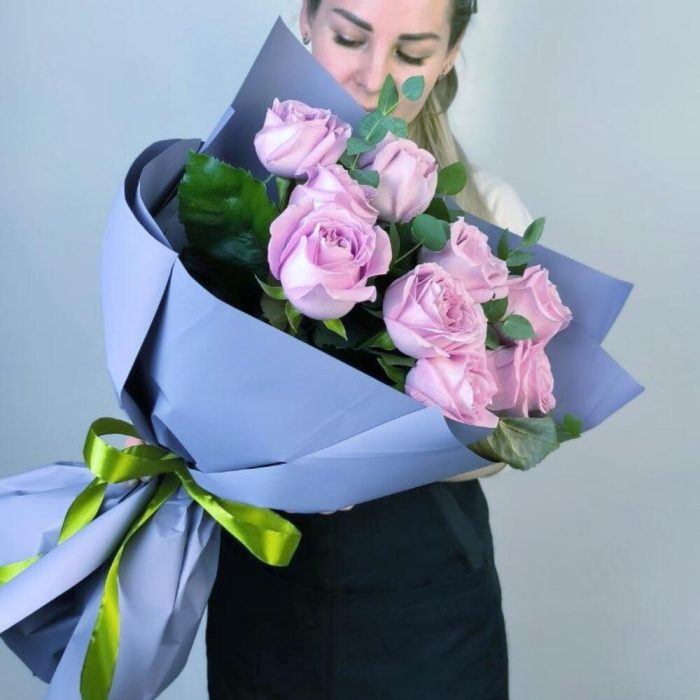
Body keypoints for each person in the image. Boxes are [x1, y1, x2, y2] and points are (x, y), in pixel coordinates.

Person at [205, 1, 533, 697]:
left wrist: (365, 459)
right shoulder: (229, 193)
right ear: (306, 19)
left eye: (411, 54)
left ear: (449, 55)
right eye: (350, 37)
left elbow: (506, 440)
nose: (374, 76)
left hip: (431, 611)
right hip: (264, 600)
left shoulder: (488, 216)